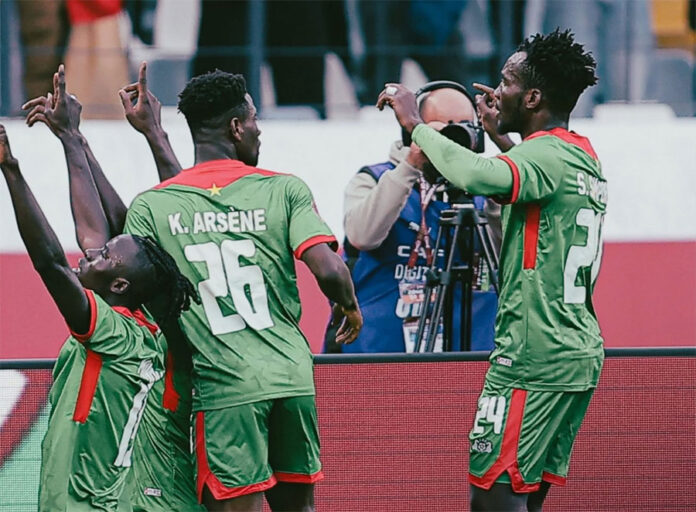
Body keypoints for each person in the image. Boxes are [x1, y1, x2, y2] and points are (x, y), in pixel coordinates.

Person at [377, 29, 606, 511]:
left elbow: (475, 175)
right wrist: (502, 135)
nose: (496, 91)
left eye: (506, 82)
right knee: (526, 495)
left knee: (493, 497)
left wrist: (416, 124)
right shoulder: (581, 154)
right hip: (574, 351)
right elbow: (530, 174)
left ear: (533, 97)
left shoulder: (542, 157)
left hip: (531, 357)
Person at [123, 70, 362, 511]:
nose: (257, 131)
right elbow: (330, 270)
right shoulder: (284, 188)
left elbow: (141, 286)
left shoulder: (151, 206)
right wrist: (348, 305)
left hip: (223, 388)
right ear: (236, 127)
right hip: (291, 380)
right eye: (254, 120)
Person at [2, 90, 196, 511]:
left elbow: (51, 264)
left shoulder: (116, 334)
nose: (91, 253)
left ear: (121, 285)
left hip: (95, 503)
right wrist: (72, 139)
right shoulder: (142, 325)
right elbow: (93, 234)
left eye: (104, 256)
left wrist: (11, 170)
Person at [337, 81, 501, 354]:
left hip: (471, 358)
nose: (451, 141)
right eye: (440, 130)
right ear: (412, 130)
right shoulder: (375, 178)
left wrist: (494, 188)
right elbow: (361, 236)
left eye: (464, 128)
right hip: (381, 355)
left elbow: (512, 259)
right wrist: (411, 164)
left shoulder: (487, 191)